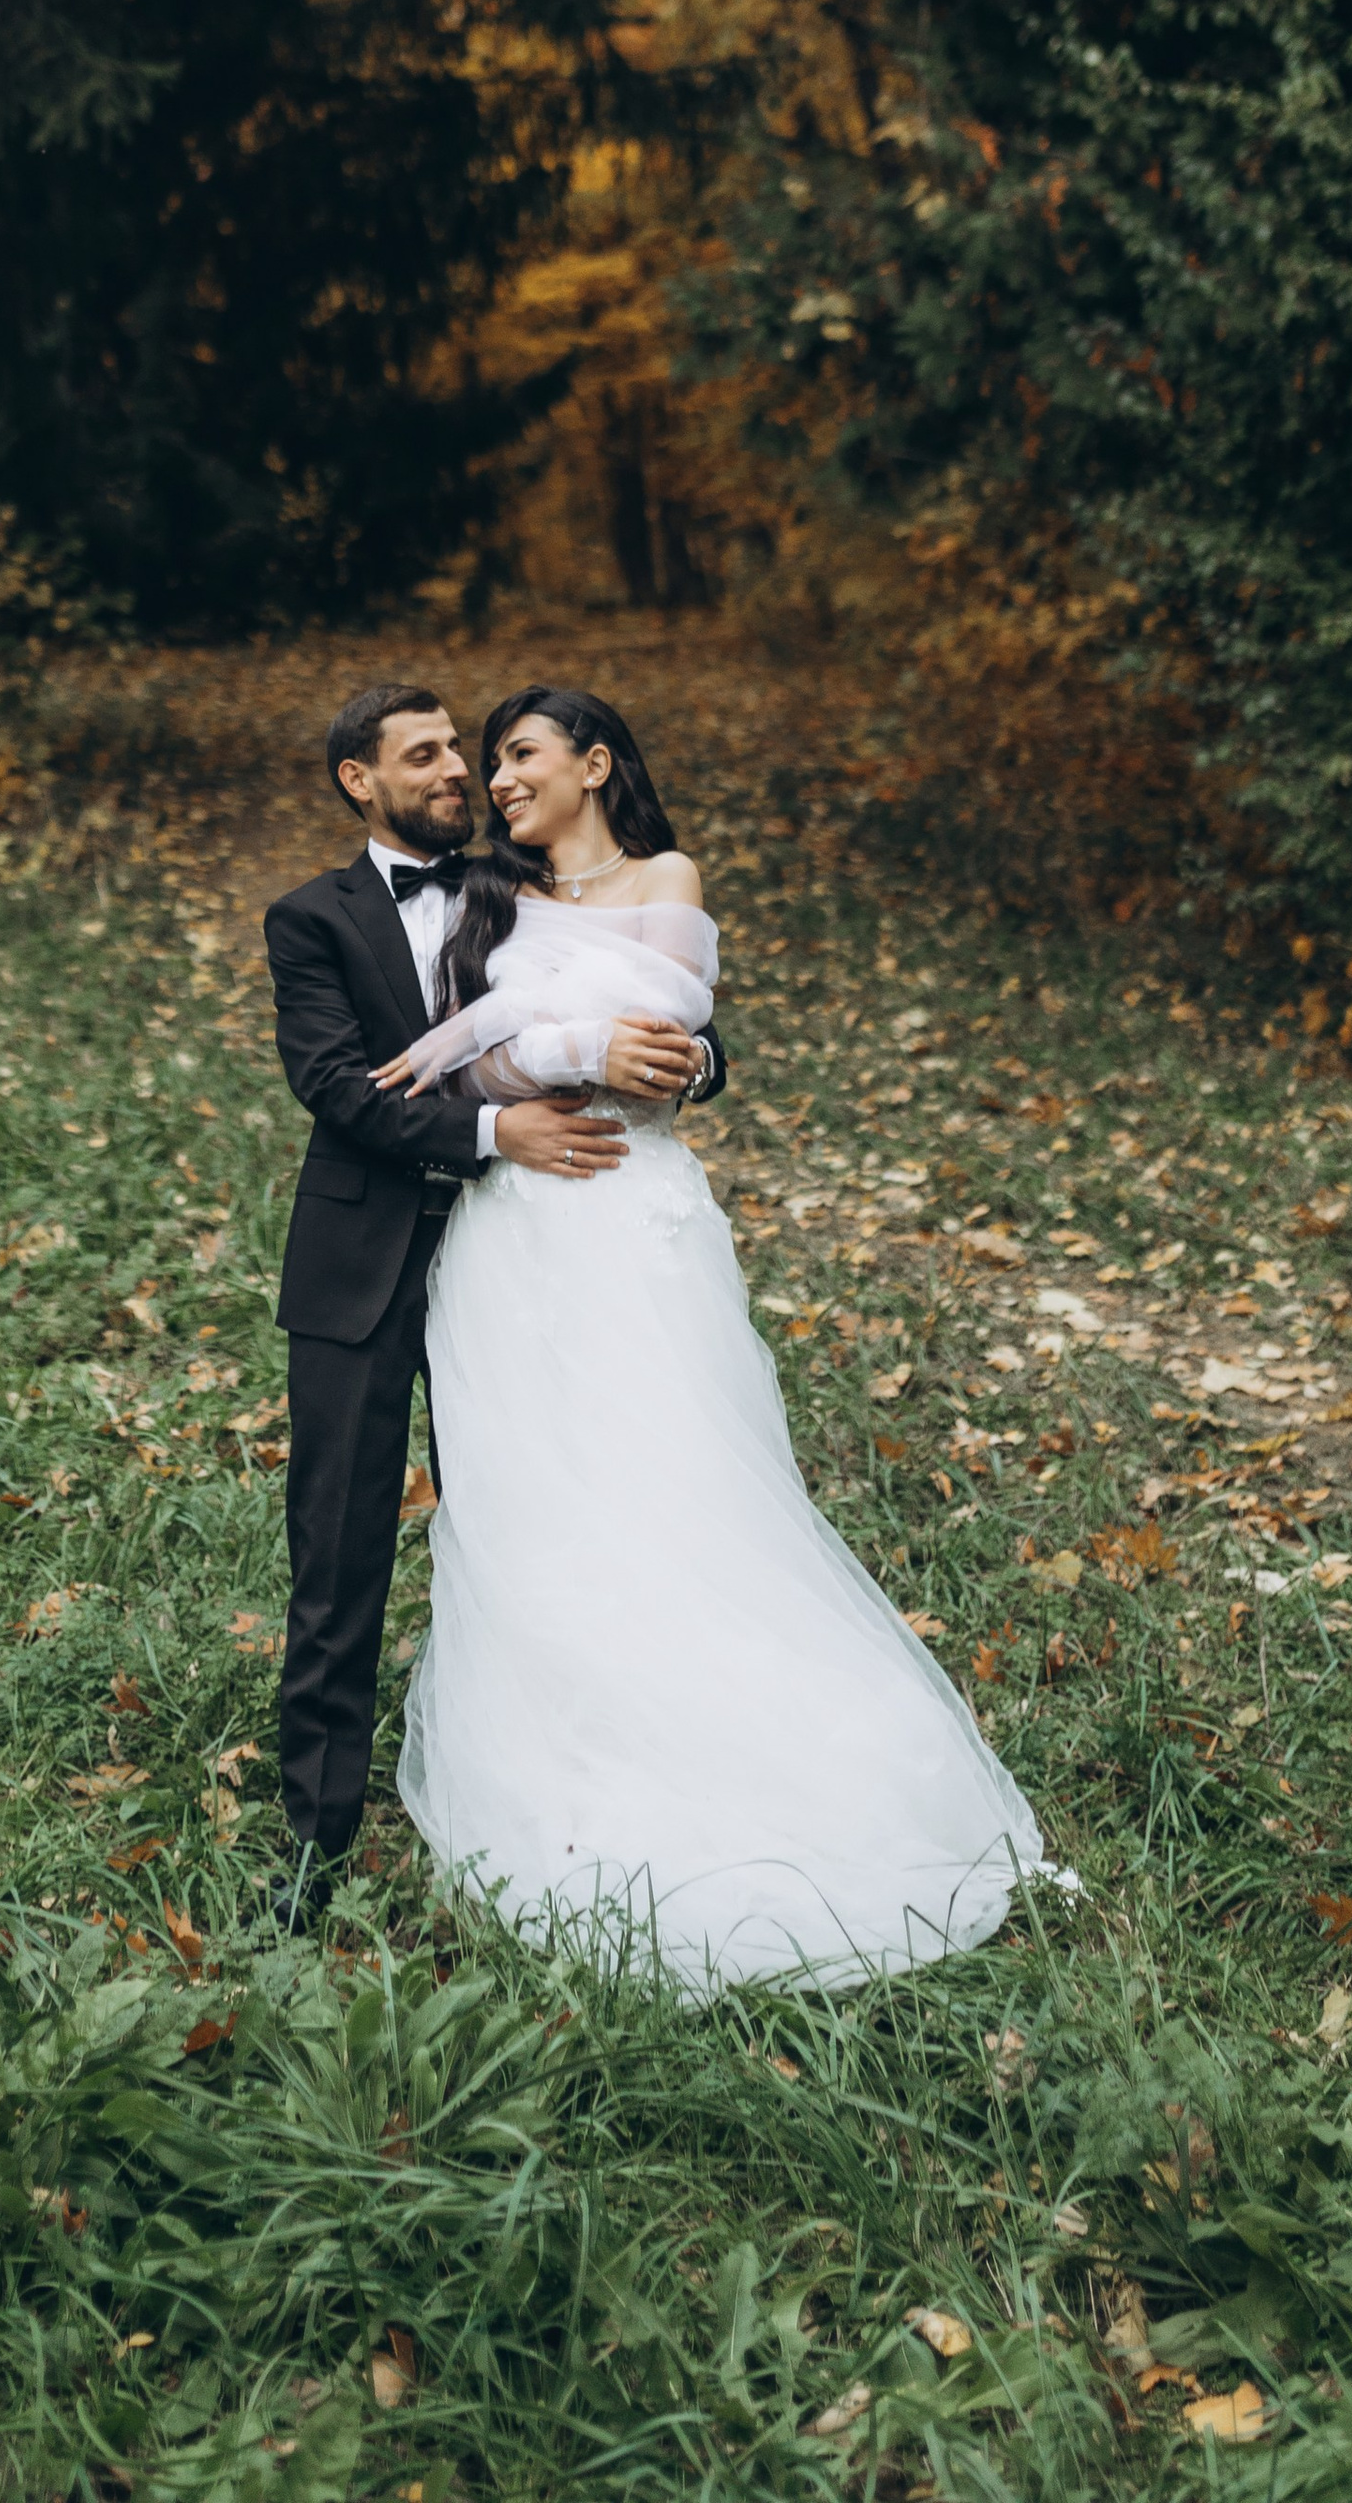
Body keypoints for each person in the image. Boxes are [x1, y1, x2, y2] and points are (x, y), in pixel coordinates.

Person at [375, 682, 1049, 1993]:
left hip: (631, 1219)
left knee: (673, 1483)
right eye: (491, 763)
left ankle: (734, 1754)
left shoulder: (664, 874)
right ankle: (559, 1764)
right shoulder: (479, 905)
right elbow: (452, 1071)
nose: (499, 782)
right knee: (531, 1504)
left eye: (522, 757)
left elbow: (678, 1032)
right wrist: (560, 1045)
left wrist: (582, 1043)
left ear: (596, 764)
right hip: (512, 1235)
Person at [260, 682, 725, 1929]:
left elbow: (631, 979)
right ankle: (317, 1837)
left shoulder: (504, 888)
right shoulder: (309, 919)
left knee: (538, 1531)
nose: (458, 773)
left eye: (463, 753)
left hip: (520, 1262)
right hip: (364, 1265)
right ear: (360, 780)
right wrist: (491, 1127)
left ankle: (552, 1804)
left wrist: (687, 1055)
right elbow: (337, 1089)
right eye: (423, 756)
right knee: (341, 1548)